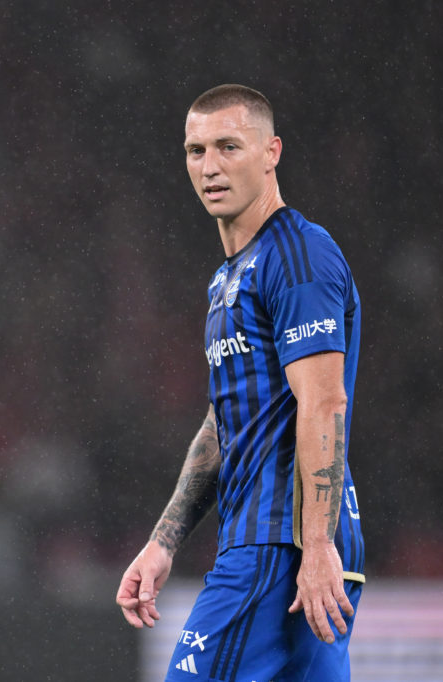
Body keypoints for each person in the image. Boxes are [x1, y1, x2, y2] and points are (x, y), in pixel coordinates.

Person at [115, 83, 365, 681]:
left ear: (271, 152)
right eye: (195, 150)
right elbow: (224, 422)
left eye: (229, 146)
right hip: (287, 543)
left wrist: (316, 546)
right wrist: (164, 541)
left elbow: (324, 400)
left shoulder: (298, 256)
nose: (210, 166)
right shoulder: (229, 278)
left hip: (279, 545)